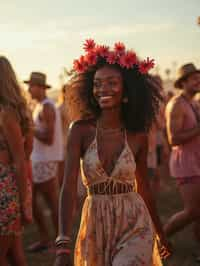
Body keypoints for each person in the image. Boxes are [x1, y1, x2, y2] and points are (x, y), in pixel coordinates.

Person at [54, 40, 170, 266]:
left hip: (135, 223)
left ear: (127, 89)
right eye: (97, 84)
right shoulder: (79, 131)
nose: (102, 89)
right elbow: (68, 186)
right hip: (96, 223)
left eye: (111, 82)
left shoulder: (138, 136)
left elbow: (143, 187)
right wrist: (62, 242)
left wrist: (159, 232)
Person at [25, 72, 64, 252]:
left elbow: (48, 138)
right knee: (35, 202)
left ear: (40, 87)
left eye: (31, 85)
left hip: (46, 161)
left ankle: (58, 243)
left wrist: (29, 129)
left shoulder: (47, 107)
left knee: (50, 203)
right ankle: (48, 240)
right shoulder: (40, 106)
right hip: (40, 161)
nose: (28, 89)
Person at [0, 56, 33, 266]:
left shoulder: (6, 114)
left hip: (5, 187)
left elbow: (21, 160)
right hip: (7, 187)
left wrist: (25, 202)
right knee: (14, 254)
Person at [164, 63, 200, 247]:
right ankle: (160, 239)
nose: (199, 81)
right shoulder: (177, 104)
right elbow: (174, 139)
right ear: (183, 82)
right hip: (185, 164)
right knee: (193, 211)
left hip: (197, 161)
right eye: (194, 78)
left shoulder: (193, 102)